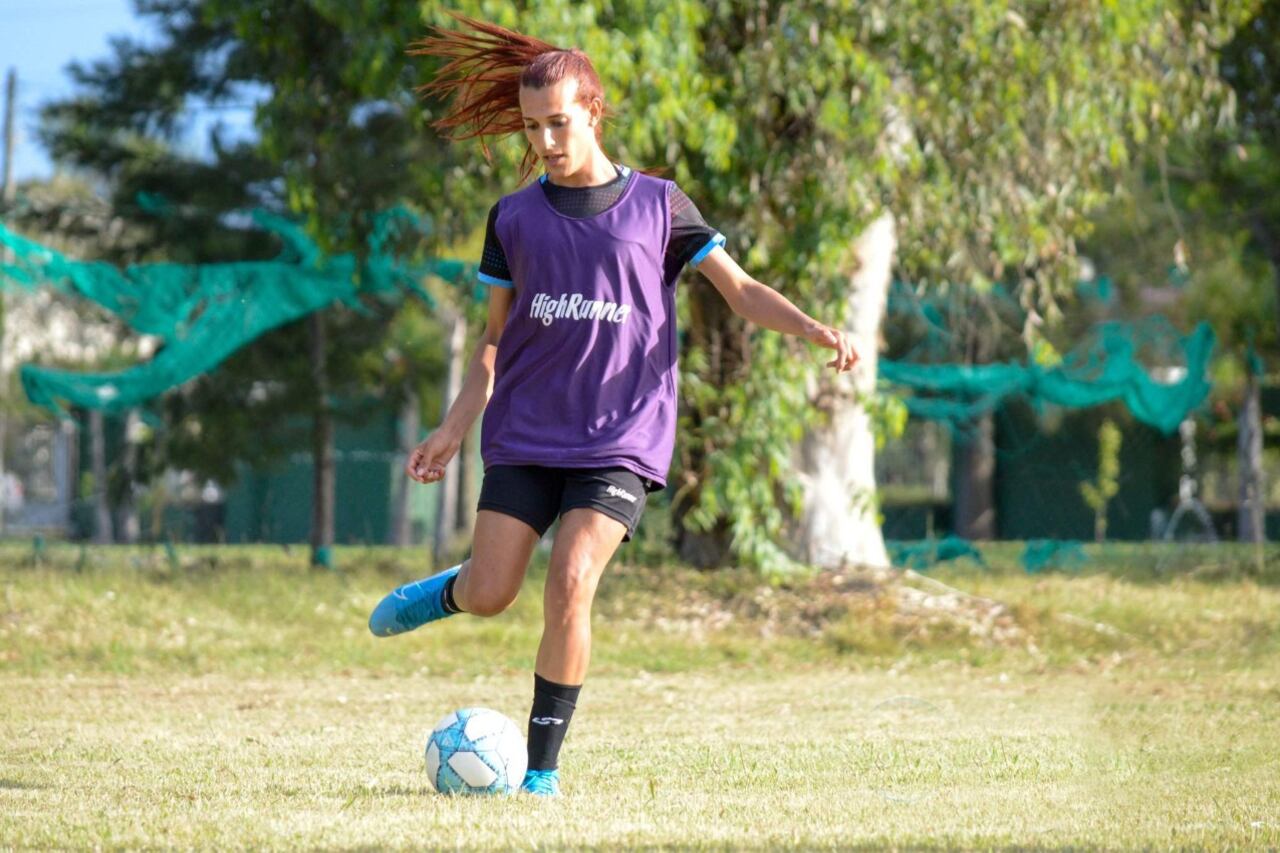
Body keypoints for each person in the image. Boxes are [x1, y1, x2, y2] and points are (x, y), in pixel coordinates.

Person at [368, 13, 858, 797]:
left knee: (570, 580)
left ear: (592, 109)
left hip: (622, 438)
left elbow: (740, 292)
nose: (546, 141)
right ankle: (453, 590)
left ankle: (539, 775)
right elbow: (493, 343)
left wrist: (807, 325)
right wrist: (453, 427)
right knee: (495, 592)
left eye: (558, 122)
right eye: (533, 128)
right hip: (526, 431)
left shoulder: (660, 206)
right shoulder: (513, 218)